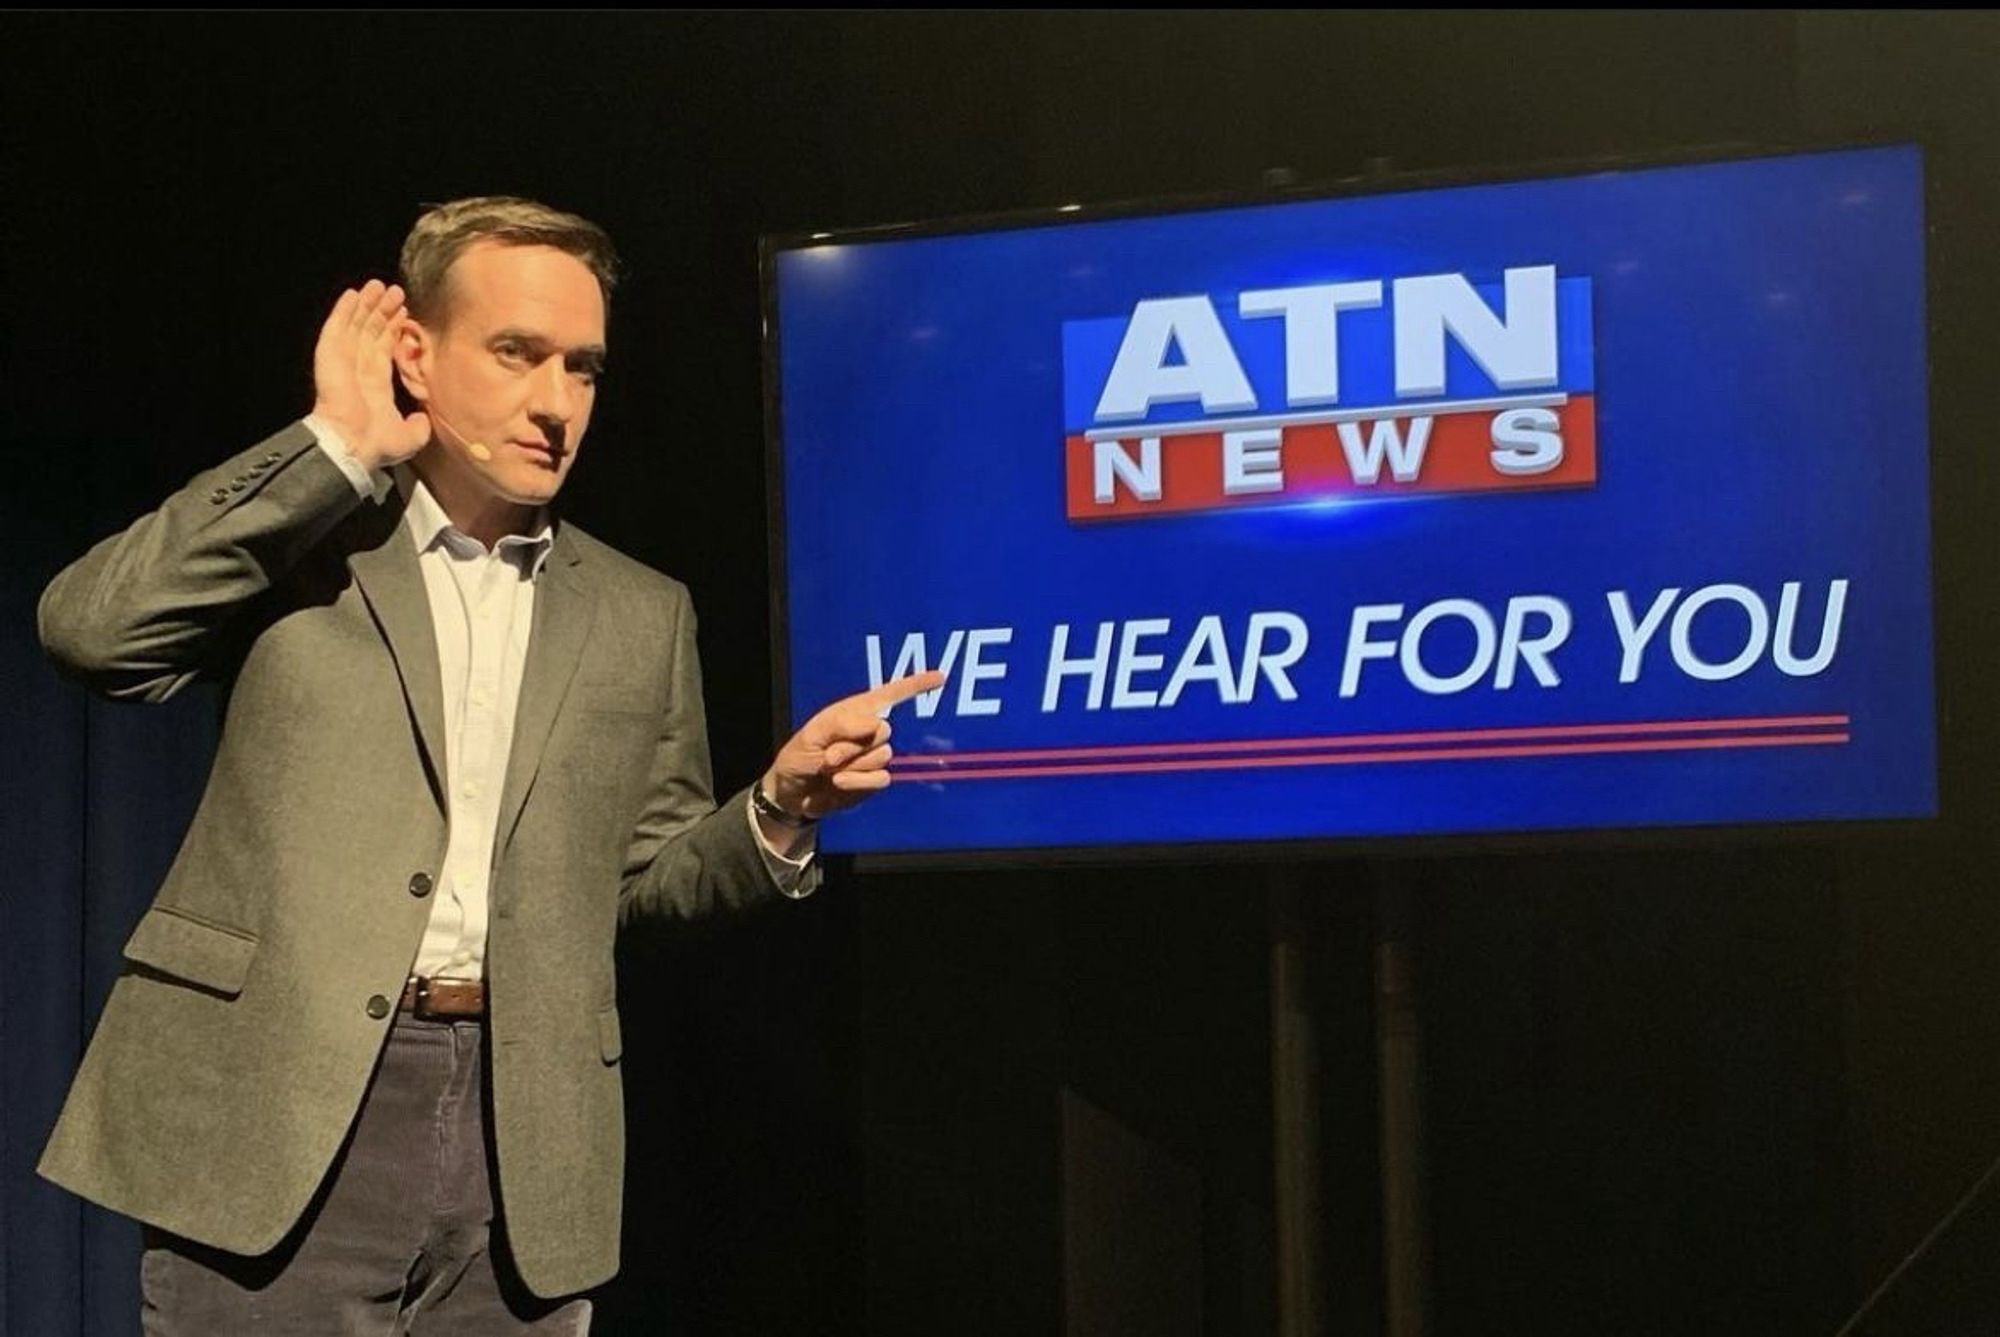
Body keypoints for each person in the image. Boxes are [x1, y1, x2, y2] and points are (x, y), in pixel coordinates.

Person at [33, 196, 938, 1332]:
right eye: (516, 353)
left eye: (584, 368)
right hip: (285, 1107)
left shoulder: (637, 611)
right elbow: (91, 632)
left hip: (526, 1129)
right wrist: (332, 448)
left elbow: (646, 882)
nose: (555, 403)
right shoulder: (308, 538)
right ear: (415, 348)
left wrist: (775, 807)